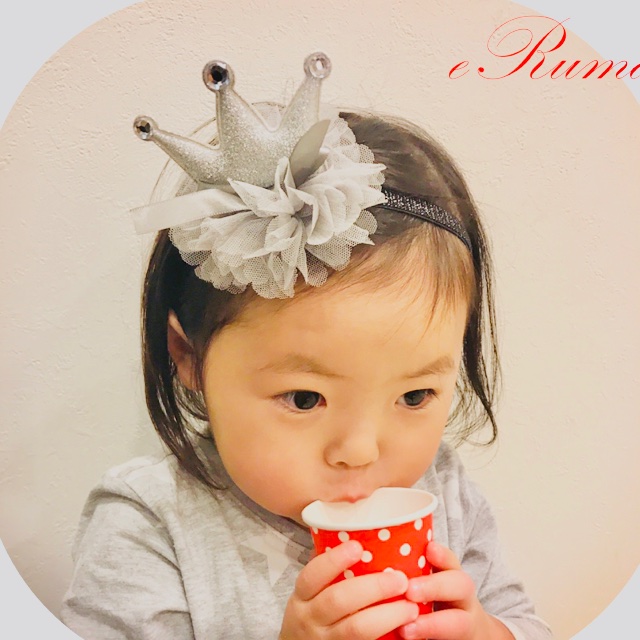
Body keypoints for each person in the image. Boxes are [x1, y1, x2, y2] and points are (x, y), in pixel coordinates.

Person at [60, 52, 553, 640]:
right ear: (188, 357)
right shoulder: (149, 521)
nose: (360, 452)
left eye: (416, 395)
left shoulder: (443, 491)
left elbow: (524, 622)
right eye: (303, 399)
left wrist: (488, 632)